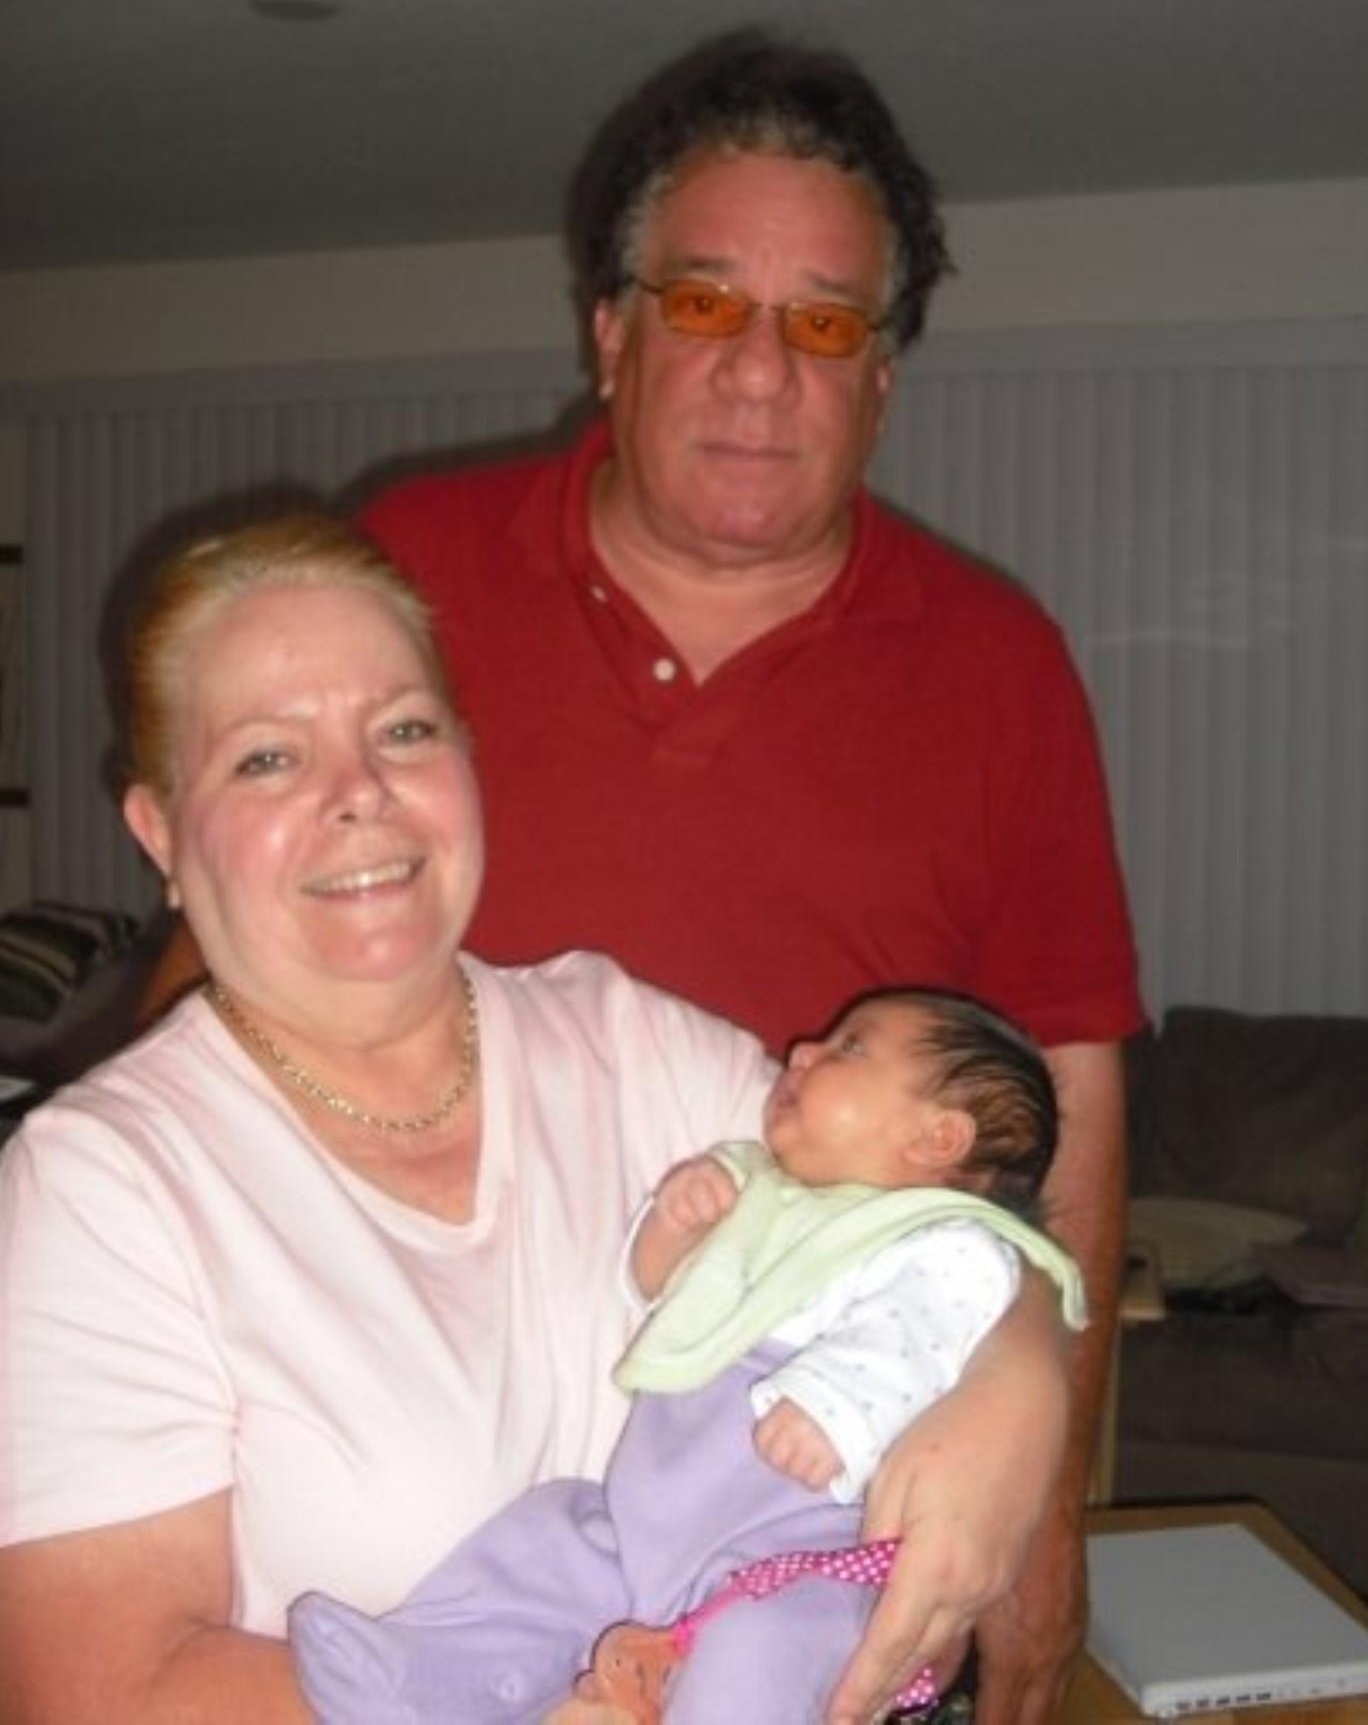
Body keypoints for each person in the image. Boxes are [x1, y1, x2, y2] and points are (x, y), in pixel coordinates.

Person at [143, 28, 1146, 1719]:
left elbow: (1070, 1092)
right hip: (423, 1475)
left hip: (814, 1485)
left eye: (824, 323)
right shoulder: (411, 574)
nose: (760, 372)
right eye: (703, 302)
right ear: (609, 333)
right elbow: (240, 941)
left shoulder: (1002, 667)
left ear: (883, 379)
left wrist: (1047, 1499)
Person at [0, 512, 1070, 1725]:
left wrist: (1019, 1386)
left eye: (403, 730)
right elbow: (91, 1694)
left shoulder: (630, 1045)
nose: (360, 794)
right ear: (160, 832)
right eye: (267, 758)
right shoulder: (105, 1184)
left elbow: (925, 1214)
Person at [289, 988, 1084, 1724]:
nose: (803, 1049)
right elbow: (658, 1292)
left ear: (938, 1137)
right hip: (649, 1516)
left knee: (763, 1648)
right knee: (546, 1543)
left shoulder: (947, 1242)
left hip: (801, 1533)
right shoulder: (762, 1186)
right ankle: (424, 1676)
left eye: (852, 1048)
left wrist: (840, 1406)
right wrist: (674, 1226)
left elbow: (919, 1329)